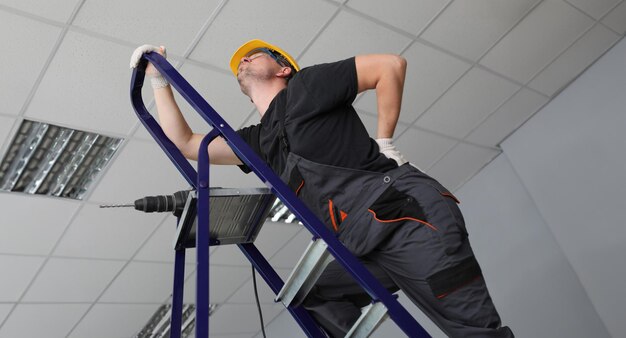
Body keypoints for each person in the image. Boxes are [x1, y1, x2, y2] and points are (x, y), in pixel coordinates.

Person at [130, 40, 514, 337]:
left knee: (474, 332)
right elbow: (185, 144)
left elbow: (389, 66)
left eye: (253, 55)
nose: (243, 61)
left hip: (408, 219)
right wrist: (159, 80)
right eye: (239, 64)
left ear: (283, 69)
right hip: (363, 245)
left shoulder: (307, 86)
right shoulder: (258, 142)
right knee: (313, 297)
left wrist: (384, 141)